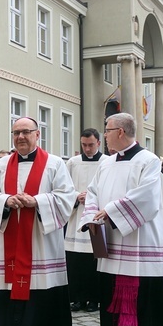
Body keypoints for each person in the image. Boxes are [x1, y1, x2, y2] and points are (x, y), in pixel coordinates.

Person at [79, 113, 163, 326]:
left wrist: (112, 211)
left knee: (139, 295)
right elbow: (93, 191)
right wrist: (93, 214)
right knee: (110, 290)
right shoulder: (106, 163)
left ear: (121, 132)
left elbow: (147, 197)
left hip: (139, 240)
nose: (104, 134)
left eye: (107, 130)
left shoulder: (148, 161)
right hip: (110, 237)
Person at [0, 116, 76, 326]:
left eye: (25, 132)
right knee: (11, 291)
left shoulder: (54, 164)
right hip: (11, 238)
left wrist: (39, 202)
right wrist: (6, 201)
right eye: (16, 133)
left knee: (42, 289)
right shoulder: (0, 166)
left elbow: (67, 196)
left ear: (37, 135)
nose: (20, 137)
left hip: (41, 240)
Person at [65, 128, 105, 312]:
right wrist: (76, 196)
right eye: (84, 145)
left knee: (94, 260)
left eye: (90, 145)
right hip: (76, 216)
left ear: (98, 142)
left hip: (96, 217)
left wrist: (92, 197)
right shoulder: (73, 163)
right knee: (76, 261)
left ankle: (95, 299)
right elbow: (63, 188)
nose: (87, 149)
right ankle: (77, 298)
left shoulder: (107, 162)